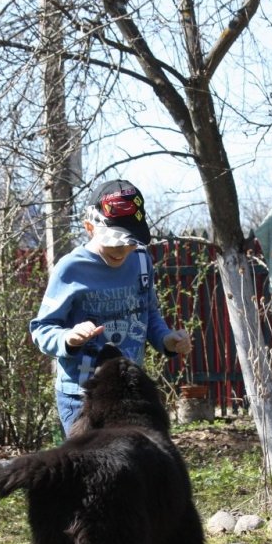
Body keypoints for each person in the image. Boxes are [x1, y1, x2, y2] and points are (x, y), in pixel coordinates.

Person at [30, 178, 192, 437]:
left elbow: (148, 313)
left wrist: (167, 339)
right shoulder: (71, 269)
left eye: (129, 241)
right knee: (89, 469)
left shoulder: (140, 261)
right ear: (89, 228)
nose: (122, 249)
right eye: (114, 242)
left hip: (128, 391)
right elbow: (42, 330)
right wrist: (68, 338)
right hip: (81, 396)